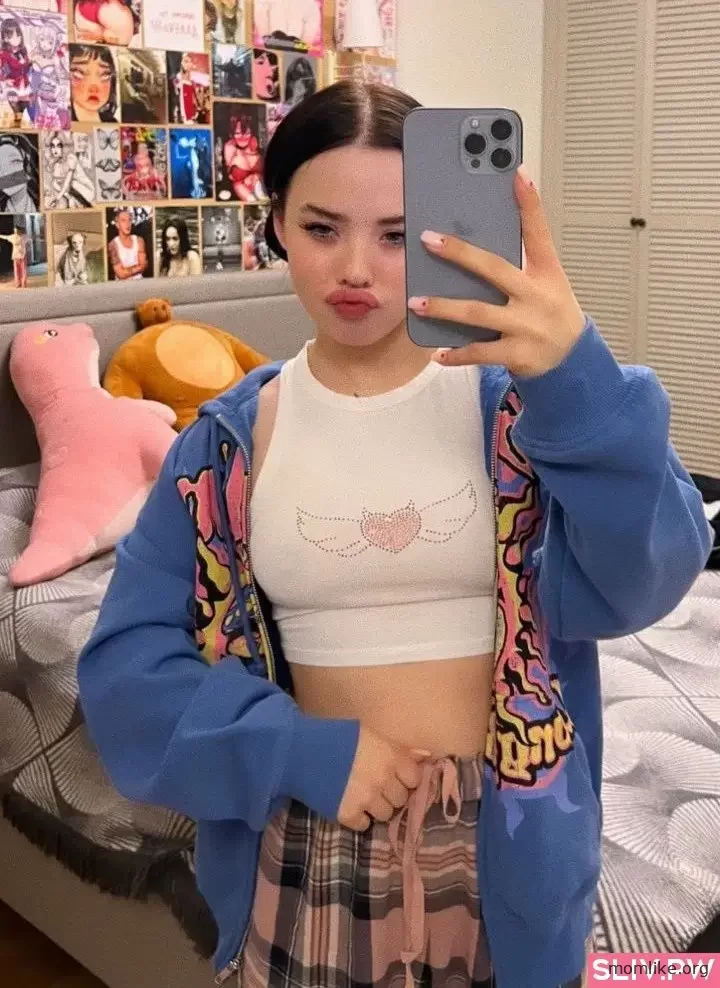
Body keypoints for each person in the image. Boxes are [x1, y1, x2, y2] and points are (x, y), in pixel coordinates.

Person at [78, 82, 712, 988]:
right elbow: (125, 670)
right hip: (310, 832)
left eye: (397, 235)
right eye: (321, 228)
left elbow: (644, 578)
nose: (356, 271)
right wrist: (298, 749)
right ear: (277, 225)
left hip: (514, 842)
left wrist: (577, 377)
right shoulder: (224, 447)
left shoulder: (519, 413)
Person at [70, 44, 118, 123]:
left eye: (105, 74)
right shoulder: (59, 122)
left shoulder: (113, 122)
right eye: (79, 72)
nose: (94, 88)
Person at [107, 207, 147, 279]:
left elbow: (143, 266)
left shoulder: (139, 240)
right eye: (123, 220)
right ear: (117, 224)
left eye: (129, 220)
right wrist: (138, 267)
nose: (127, 224)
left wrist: (126, 269)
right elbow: (121, 274)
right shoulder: (112, 245)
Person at [0, 222, 29, 287]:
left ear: (19, 230)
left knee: (21, 270)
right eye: (15, 230)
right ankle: (20, 283)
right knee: (19, 270)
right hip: (17, 256)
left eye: (16, 230)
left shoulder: (23, 237)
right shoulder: (19, 236)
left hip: (20, 256)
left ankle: (21, 283)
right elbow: (5, 237)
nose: (15, 231)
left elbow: (5, 237)